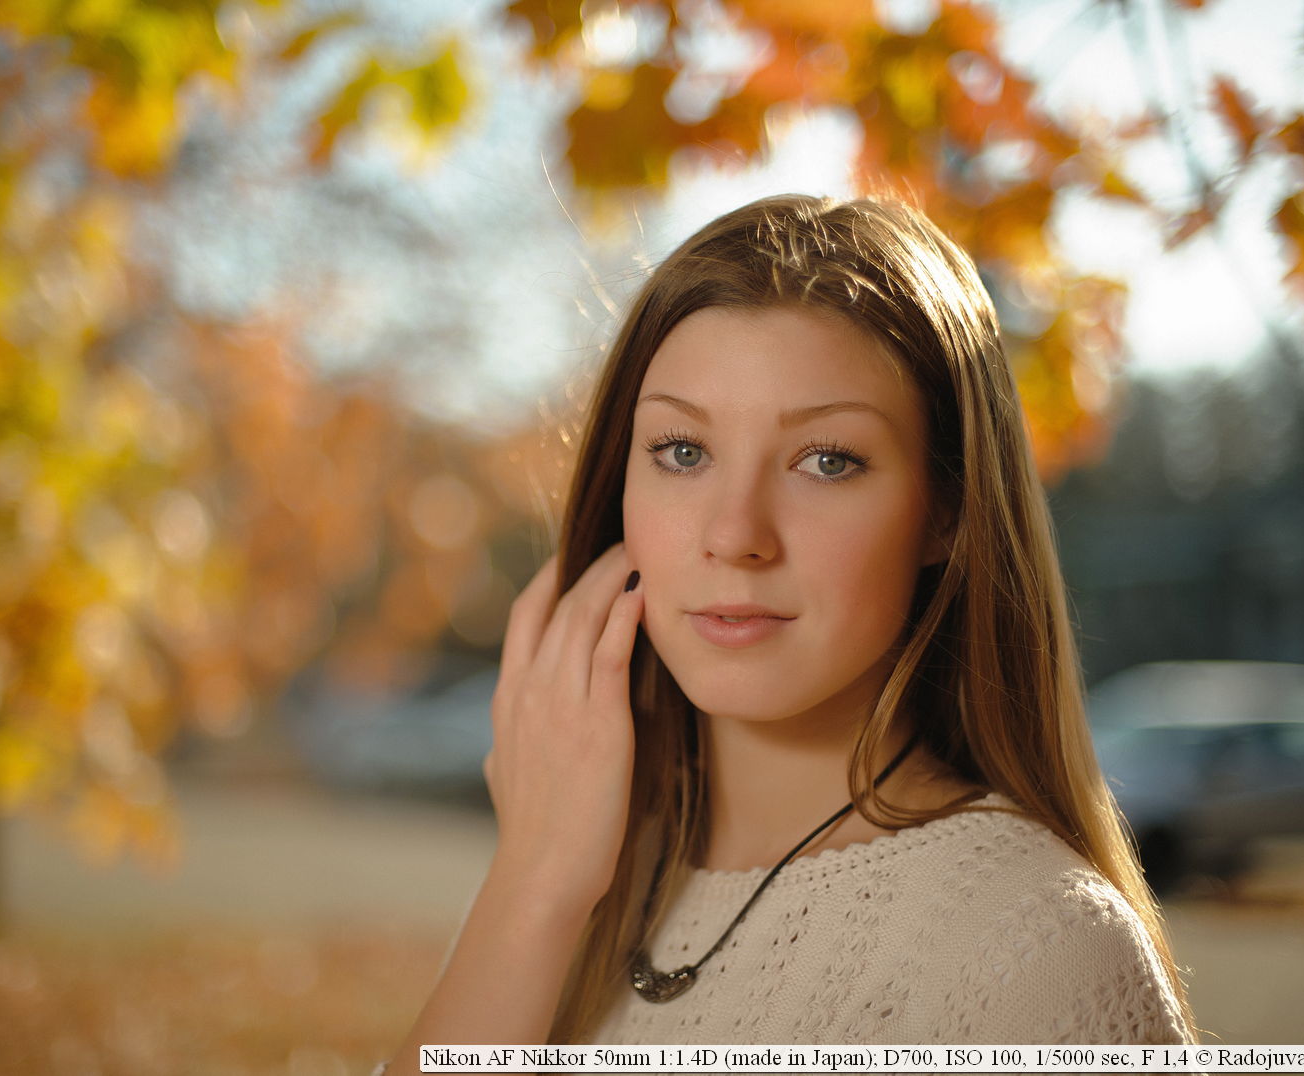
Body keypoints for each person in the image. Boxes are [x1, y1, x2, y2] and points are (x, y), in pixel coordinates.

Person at [383, 194, 1194, 1064]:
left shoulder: (1040, 950)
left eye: (827, 460)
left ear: (947, 512)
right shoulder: (565, 872)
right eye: (682, 451)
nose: (734, 536)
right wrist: (533, 887)